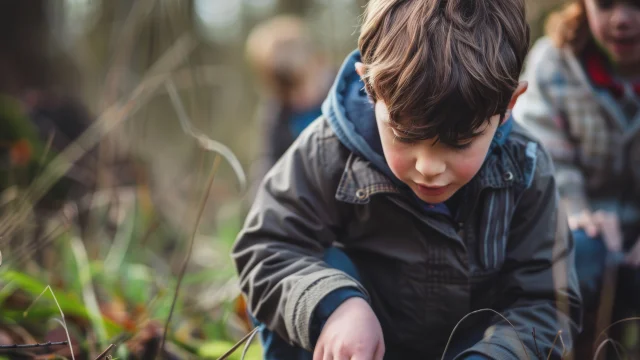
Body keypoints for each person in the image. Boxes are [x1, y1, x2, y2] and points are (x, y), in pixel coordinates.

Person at [234, 0, 581, 359]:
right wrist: (334, 306)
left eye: (459, 142)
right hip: (362, 343)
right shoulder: (329, 150)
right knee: (298, 295)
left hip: (470, 347)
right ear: (370, 87)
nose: (428, 167)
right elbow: (266, 248)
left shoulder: (525, 168)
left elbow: (546, 303)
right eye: (405, 136)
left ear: (508, 105)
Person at [513, 0, 640, 356]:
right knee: (575, 257)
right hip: (584, 220)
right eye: (605, 5)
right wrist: (574, 206)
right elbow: (540, 149)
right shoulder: (553, 63)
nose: (622, 20)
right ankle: (576, 347)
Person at [245, 15, 335, 191]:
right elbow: (267, 164)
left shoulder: (346, 93)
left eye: (301, 86)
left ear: (319, 63)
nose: (296, 98)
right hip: (306, 195)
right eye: (286, 93)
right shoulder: (276, 115)